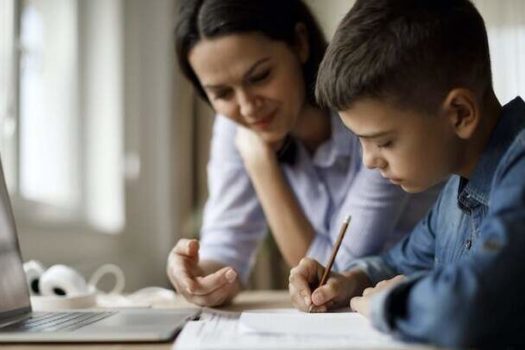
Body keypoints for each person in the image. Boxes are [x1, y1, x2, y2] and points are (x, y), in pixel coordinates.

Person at [167, 0, 439, 307]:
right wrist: (197, 277)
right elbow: (227, 250)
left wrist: (261, 165)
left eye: (259, 77)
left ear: (300, 42)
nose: (246, 107)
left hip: (419, 300)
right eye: (222, 93)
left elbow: (331, 272)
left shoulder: (371, 115)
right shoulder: (238, 126)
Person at [288, 0, 525, 347]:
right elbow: (398, 262)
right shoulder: (456, 189)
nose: (369, 161)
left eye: (383, 141)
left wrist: (388, 303)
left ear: (459, 113)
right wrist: (349, 280)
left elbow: (466, 309)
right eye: (361, 142)